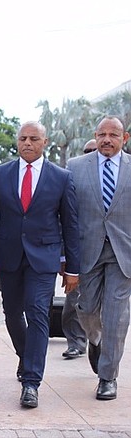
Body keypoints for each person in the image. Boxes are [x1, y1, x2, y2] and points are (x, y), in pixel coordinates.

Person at [0, 121, 79, 409]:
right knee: (12, 314)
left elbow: (70, 224)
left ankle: (31, 382)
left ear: (44, 142)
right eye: (22, 138)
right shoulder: (0, 174)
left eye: (33, 138)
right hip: (8, 256)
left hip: (44, 259)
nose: (27, 143)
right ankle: (26, 356)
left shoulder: (61, 177)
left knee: (38, 314)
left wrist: (73, 267)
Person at [69, 116, 131, 401]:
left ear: (124, 138)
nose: (107, 139)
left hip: (123, 253)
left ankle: (108, 377)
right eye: (102, 134)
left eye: (113, 135)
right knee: (86, 308)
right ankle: (95, 339)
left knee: (117, 316)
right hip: (87, 250)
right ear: (95, 135)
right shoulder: (75, 167)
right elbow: (66, 215)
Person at [60, 140, 96, 360]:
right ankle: (76, 342)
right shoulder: (72, 175)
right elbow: (63, 218)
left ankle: (95, 339)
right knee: (73, 302)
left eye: (94, 150)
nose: (92, 154)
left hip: (108, 251)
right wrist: (63, 255)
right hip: (78, 250)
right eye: (88, 151)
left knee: (99, 307)